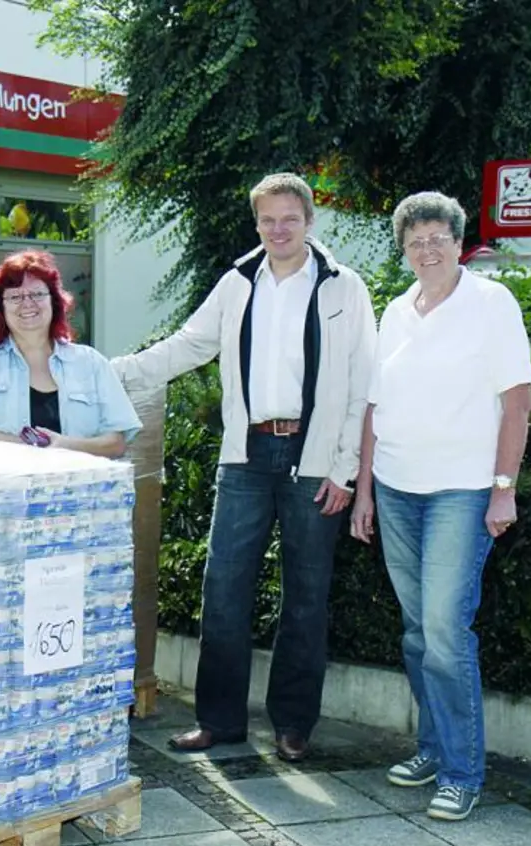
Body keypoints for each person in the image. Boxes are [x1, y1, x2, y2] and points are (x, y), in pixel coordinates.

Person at [112, 173, 377, 762]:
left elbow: (363, 383)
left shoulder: (343, 288)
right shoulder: (237, 283)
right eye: (267, 219)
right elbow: (188, 345)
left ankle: (293, 724)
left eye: (289, 218)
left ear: (310, 222)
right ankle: (220, 721)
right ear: (256, 223)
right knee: (224, 589)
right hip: (247, 455)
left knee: (306, 597)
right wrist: (114, 371)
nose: (278, 229)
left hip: (313, 458)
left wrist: (345, 469)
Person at [348, 191, 531, 822]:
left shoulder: (491, 303)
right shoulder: (397, 310)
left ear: (460, 243)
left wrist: (503, 485)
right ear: (403, 250)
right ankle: (432, 747)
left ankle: (461, 772)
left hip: (462, 488)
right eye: (415, 240)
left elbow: (517, 402)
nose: (426, 249)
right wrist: (365, 488)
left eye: (438, 238)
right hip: (398, 487)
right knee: (417, 632)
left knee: (446, 635)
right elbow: (376, 407)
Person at [0, 249, 140, 458]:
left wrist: (64, 445)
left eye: (37, 294)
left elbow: (116, 443)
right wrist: (22, 446)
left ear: (54, 301)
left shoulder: (91, 363)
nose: (27, 303)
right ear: (1, 308)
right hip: (5, 487)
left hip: (79, 488)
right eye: (15, 296)